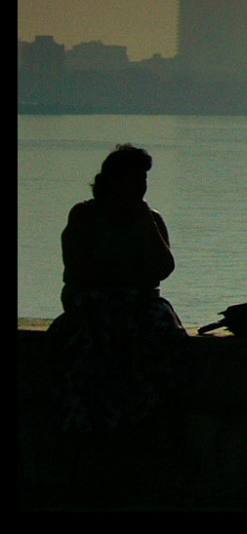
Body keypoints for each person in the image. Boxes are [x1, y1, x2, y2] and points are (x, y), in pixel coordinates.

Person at [51, 143, 189, 431]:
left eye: (143, 180)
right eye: (133, 180)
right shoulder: (84, 216)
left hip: (140, 302)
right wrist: (128, 277)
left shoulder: (151, 219)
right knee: (94, 333)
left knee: (162, 335)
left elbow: (161, 270)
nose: (140, 187)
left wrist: (143, 221)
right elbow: (80, 269)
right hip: (92, 300)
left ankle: (151, 419)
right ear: (112, 181)